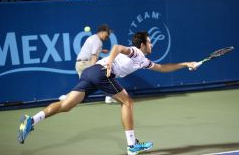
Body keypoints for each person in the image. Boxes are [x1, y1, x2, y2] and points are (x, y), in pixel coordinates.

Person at [17, 31, 198, 155]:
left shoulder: (142, 60)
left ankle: (32, 120)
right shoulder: (135, 52)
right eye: (149, 41)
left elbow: (162, 68)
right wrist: (110, 62)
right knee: (127, 102)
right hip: (102, 72)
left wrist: (185, 64)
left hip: (92, 72)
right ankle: (132, 146)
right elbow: (117, 47)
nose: (152, 43)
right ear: (142, 44)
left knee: (66, 105)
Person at [59, 24, 116, 104]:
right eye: (107, 33)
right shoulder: (98, 42)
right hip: (86, 63)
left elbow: (88, 49)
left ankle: (66, 97)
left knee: (83, 86)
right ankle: (109, 96)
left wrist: (101, 51)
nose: (108, 36)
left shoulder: (92, 38)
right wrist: (94, 70)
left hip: (79, 65)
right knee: (106, 73)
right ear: (102, 32)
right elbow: (93, 56)